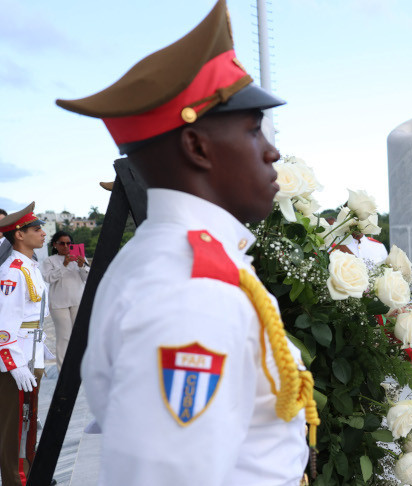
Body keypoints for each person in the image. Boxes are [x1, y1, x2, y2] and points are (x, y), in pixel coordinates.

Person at [57, 1, 318, 484]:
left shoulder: (171, 261)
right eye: (252, 128)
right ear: (197, 146)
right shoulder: (192, 294)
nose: (272, 149)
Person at [0, 203, 48, 486]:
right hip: (15, 364)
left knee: (28, 426)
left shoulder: (29, 266)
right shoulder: (12, 272)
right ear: (19, 235)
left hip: (31, 357)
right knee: (13, 430)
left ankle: (27, 477)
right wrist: (15, 365)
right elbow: (4, 327)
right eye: (36, 229)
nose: (43, 233)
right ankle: (15, 481)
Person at [40, 231, 88, 369]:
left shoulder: (79, 258)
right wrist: (64, 264)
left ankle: (80, 368)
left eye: (69, 243)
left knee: (79, 336)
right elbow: (48, 278)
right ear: (55, 244)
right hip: (59, 304)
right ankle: (63, 371)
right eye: (62, 243)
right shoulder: (49, 260)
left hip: (77, 301)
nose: (66, 246)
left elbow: (87, 279)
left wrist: (82, 265)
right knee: (64, 337)